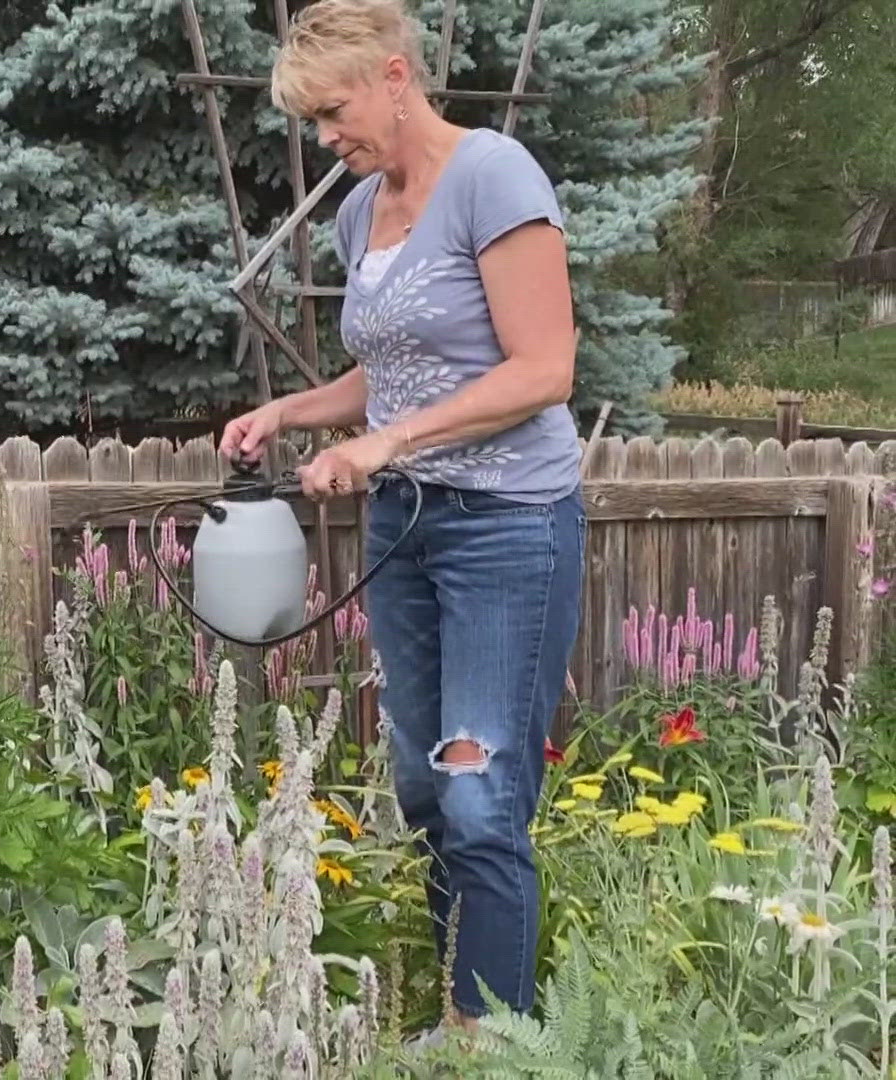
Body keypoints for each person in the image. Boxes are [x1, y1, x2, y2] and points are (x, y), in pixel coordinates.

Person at [218, 0, 586, 1039]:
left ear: (393, 76)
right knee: (429, 798)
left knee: (480, 798)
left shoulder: (494, 176)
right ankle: (463, 1024)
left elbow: (543, 369)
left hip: (509, 529)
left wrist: (387, 443)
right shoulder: (359, 210)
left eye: (334, 113)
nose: (327, 139)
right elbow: (392, 366)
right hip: (408, 534)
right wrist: (295, 410)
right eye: (314, 125)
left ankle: (492, 1042)